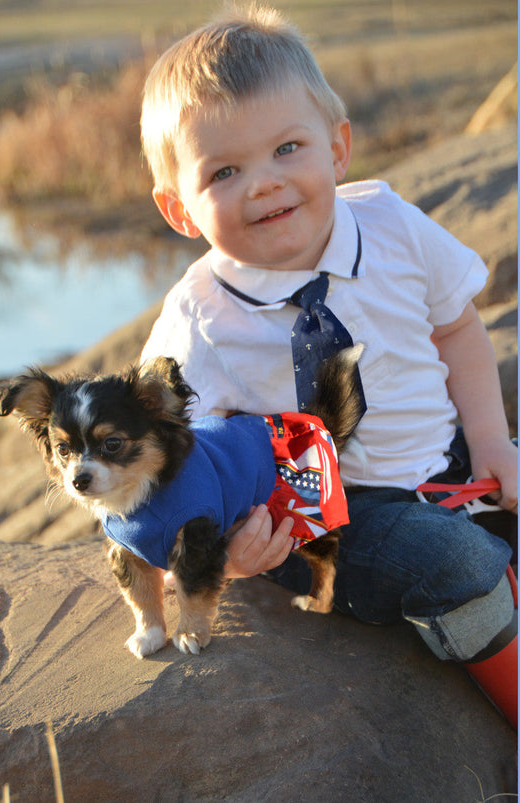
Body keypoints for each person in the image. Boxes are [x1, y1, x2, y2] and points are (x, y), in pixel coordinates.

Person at [137, 5, 518, 726]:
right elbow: (170, 464)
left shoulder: (390, 225)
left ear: (337, 148)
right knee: (455, 562)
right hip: (321, 519)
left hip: (446, 461)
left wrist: (494, 442)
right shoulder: (195, 322)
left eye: (287, 148)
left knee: (493, 513)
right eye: (223, 170)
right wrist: (229, 549)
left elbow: (458, 329)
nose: (263, 182)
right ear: (178, 209)